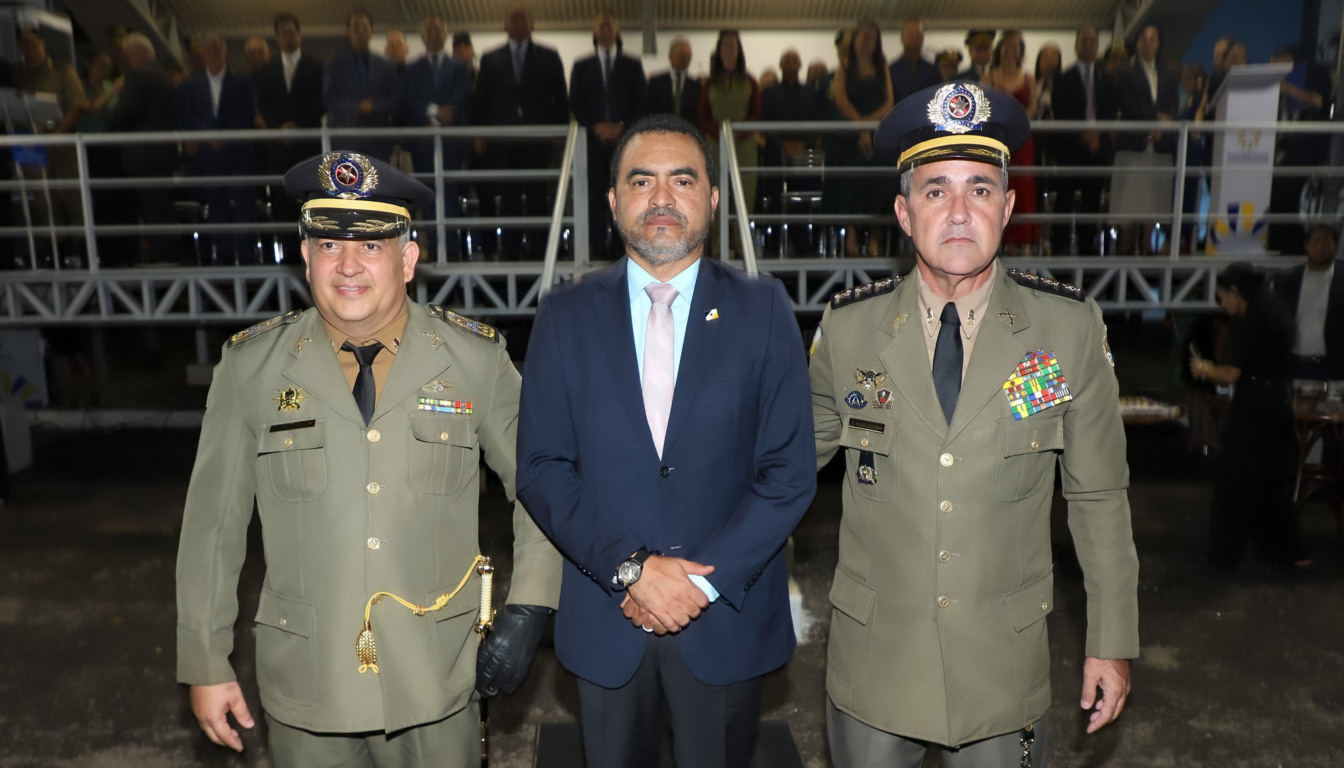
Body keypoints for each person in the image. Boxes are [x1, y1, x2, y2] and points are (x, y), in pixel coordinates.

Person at [175, 150, 561, 766]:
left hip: (436, 678)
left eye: (372, 246)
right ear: (305, 257)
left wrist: (532, 603)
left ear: (408, 259)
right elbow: (212, 527)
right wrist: (205, 660)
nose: (348, 265)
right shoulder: (250, 368)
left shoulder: (475, 362)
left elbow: (542, 487)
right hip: (308, 684)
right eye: (328, 246)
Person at [811, 81, 1139, 767]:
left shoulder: (1064, 331)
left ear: (1009, 206)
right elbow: (778, 469)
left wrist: (1111, 638)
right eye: (936, 191)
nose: (959, 212)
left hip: (1001, 672)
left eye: (980, 190)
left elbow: (1098, 495)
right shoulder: (848, 331)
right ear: (903, 213)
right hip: (875, 666)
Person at [516, 114, 816, 768]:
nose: (661, 198)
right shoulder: (563, 316)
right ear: (613, 201)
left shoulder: (763, 310)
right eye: (641, 180)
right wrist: (632, 569)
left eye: (682, 180)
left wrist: (697, 587)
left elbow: (789, 472)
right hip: (607, 615)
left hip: (724, 621)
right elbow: (542, 467)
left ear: (712, 197)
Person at [1191, 263, 1312, 573]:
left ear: (1235, 291)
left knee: (1236, 482)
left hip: (1253, 411)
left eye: (1222, 297)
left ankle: (1224, 556)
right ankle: (1291, 552)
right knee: (1271, 483)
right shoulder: (1274, 317)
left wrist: (1204, 368)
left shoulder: (1247, 324)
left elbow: (1231, 374)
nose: (1222, 304)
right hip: (1276, 405)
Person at [472, 3, 568, 259]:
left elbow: (560, 98)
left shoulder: (549, 57)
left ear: (531, 24)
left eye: (522, 19)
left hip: (539, 140)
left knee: (539, 197)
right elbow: (482, 100)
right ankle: (511, 249)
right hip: (503, 142)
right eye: (513, 19)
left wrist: (559, 131)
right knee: (509, 197)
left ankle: (541, 250)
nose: (517, 24)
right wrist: (480, 134)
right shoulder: (491, 59)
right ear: (505, 25)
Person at [570, 9, 648, 259]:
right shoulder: (581, 67)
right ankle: (594, 247)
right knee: (593, 196)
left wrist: (622, 125)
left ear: (617, 31)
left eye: (609, 24)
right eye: (600, 25)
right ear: (594, 32)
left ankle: (619, 248)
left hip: (623, 145)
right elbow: (575, 101)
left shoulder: (632, 66)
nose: (605, 28)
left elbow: (641, 101)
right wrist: (595, 125)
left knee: (623, 196)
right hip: (592, 144)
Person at [177, 34, 258, 265]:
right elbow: (188, 115)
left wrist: (226, 136)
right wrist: (208, 136)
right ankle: (222, 255)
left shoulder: (242, 82)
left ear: (225, 52)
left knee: (243, 204)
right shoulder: (190, 86)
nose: (213, 52)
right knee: (216, 204)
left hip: (238, 155)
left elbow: (246, 114)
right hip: (208, 156)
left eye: (218, 47)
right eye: (209, 48)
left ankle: (246, 255)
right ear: (201, 54)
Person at [255, 12, 326, 263]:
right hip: (279, 154)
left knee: (310, 211)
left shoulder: (316, 67)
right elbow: (263, 105)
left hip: (307, 150)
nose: (287, 35)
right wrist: (279, 127)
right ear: (276, 36)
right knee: (283, 213)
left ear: (299, 34)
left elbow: (320, 104)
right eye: (282, 31)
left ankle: (314, 265)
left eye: (291, 31)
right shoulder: (266, 72)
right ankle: (287, 265)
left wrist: (298, 126)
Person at [104, 31, 177, 264]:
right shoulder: (162, 75)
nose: (125, 58)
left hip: (143, 157)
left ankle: (163, 261)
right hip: (162, 154)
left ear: (136, 52)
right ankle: (170, 260)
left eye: (127, 53)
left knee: (152, 213)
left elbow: (122, 114)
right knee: (163, 213)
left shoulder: (136, 76)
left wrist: (110, 108)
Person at [824, 17, 894, 257]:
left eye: (873, 38)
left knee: (877, 184)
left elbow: (889, 101)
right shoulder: (844, 67)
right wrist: (861, 127)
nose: (868, 42)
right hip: (851, 137)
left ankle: (874, 240)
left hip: (877, 134)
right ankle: (851, 237)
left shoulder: (882, 68)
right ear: (855, 40)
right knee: (851, 183)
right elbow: (841, 100)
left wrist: (869, 125)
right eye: (864, 37)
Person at [403, 13, 472, 245]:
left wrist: (443, 116)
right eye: (429, 30)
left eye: (437, 30)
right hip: (423, 140)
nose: (433, 34)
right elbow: (410, 98)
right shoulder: (412, 69)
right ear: (422, 36)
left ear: (445, 33)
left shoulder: (460, 66)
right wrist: (434, 111)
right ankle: (433, 246)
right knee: (427, 194)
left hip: (452, 140)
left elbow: (462, 94)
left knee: (451, 192)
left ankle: (452, 247)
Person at [1112, 24, 1178, 255]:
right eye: (1144, 39)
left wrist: (1164, 122)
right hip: (1134, 142)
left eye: (1153, 39)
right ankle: (1126, 244)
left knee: (1153, 195)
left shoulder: (1168, 75)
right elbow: (1127, 104)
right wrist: (1154, 120)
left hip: (1159, 145)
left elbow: (1172, 105)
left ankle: (1148, 244)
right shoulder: (1125, 74)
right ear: (1137, 42)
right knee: (1129, 195)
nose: (1148, 43)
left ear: (1159, 43)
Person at [1051, 26, 1114, 256]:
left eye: (1093, 41)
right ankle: (1061, 248)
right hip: (1071, 148)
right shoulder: (1063, 78)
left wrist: (1098, 134)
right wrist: (1083, 134)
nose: (1088, 45)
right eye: (1084, 41)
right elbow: (1061, 110)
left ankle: (1089, 250)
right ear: (1076, 45)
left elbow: (1109, 110)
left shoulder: (1106, 79)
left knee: (1092, 200)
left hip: (1098, 149)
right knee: (1065, 200)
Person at [697, 28, 762, 249]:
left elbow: (756, 115)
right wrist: (719, 133)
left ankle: (743, 248)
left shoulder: (750, 82)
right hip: (715, 147)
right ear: (719, 50)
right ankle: (718, 249)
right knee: (716, 197)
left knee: (744, 197)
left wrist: (738, 133)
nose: (728, 51)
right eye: (724, 46)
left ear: (738, 50)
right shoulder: (710, 84)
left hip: (744, 148)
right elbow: (703, 115)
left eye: (732, 46)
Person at [982, 30, 1038, 253]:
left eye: (1014, 46)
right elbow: (984, 108)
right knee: (999, 186)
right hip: (998, 139)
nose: (1009, 50)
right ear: (999, 50)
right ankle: (1000, 241)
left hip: (1022, 141)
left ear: (1020, 52)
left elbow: (1032, 107)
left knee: (1023, 188)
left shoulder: (1029, 78)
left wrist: (1019, 123)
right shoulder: (989, 77)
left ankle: (1023, 244)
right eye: (1006, 46)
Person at [324, 10, 403, 161]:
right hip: (347, 141)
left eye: (364, 27)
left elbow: (396, 99)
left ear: (371, 31)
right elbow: (329, 99)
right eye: (356, 27)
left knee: (378, 183)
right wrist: (356, 107)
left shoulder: (385, 66)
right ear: (348, 32)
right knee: (347, 184)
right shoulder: (334, 65)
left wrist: (374, 106)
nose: (360, 32)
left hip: (378, 141)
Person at [1272, 222, 1344, 379]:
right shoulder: (1285, 280)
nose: (1320, 248)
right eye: (1315, 242)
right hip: (1293, 364)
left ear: (1336, 246)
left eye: (1326, 243)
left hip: (1334, 367)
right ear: (1306, 245)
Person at [646, 37, 699, 121]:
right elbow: (649, 111)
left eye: (688, 56)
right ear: (671, 56)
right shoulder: (655, 82)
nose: (686, 59)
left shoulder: (696, 85)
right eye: (682, 56)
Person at [888, 19, 940, 103]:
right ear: (902, 37)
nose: (914, 38)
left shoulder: (933, 72)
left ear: (922, 38)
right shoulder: (891, 72)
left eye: (918, 35)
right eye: (910, 34)